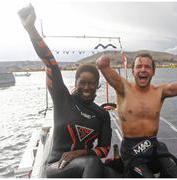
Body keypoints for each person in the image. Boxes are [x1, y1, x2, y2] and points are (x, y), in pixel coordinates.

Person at [18, 4, 117, 178]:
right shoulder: (63, 99)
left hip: (85, 164)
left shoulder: (102, 114)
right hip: (57, 166)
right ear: (76, 83)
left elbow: (104, 149)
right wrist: (31, 29)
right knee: (93, 163)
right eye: (82, 83)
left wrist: (78, 153)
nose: (87, 87)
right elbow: (50, 63)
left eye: (91, 83)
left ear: (97, 85)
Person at [96, 53, 177, 177]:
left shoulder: (160, 91)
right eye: (139, 66)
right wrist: (103, 62)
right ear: (133, 71)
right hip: (132, 149)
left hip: (154, 146)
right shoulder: (123, 88)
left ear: (153, 71)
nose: (143, 70)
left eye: (147, 67)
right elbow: (103, 66)